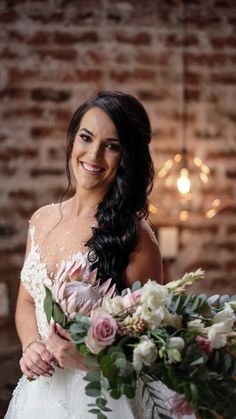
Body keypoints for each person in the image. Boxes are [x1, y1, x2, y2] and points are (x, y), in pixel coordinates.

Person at [4, 91, 193, 419]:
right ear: (72, 139)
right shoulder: (41, 220)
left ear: (127, 157)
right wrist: (31, 346)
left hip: (101, 401)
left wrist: (87, 358)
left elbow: (148, 348)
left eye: (112, 145)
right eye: (86, 137)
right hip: (41, 397)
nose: (94, 154)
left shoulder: (135, 239)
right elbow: (28, 300)